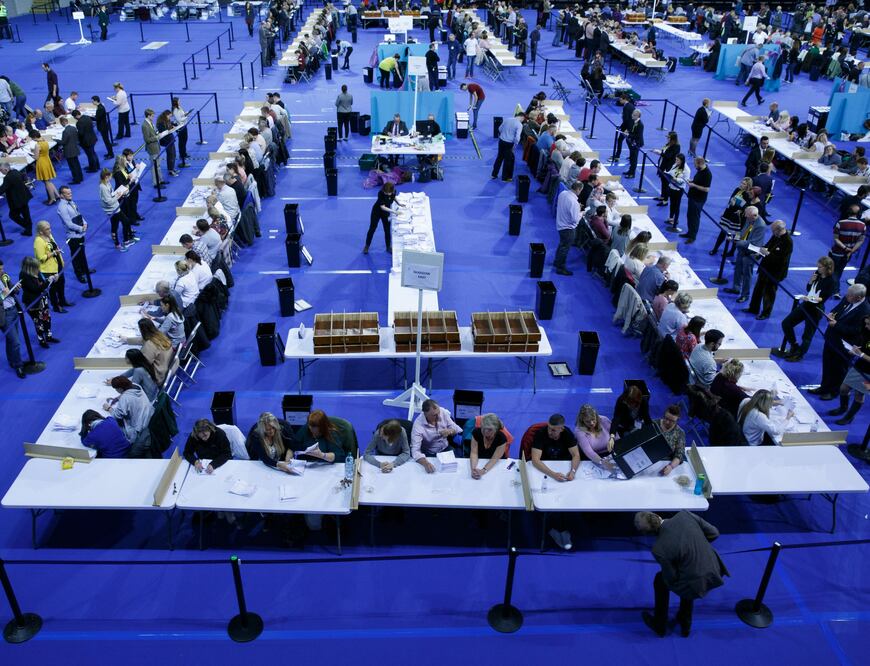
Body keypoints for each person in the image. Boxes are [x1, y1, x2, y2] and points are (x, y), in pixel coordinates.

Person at [635, 510, 728, 637]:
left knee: (660, 580)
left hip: (695, 583)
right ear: (656, 515)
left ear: (648, 534)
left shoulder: (659, 549)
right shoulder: (685, 515)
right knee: (687, 569)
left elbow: (671, 578)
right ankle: (685, 623)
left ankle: (659, 625)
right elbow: (714, 533)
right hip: (715, 570)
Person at [809, 284, 870, 400]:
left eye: (850, 296)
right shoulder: (847, 298)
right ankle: (824, 387)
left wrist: (837, 325)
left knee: (838, 369)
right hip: (831, 338)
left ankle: (833, 391)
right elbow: (837, 309)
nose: (846, 296)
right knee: (827, 364)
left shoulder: (865, 310)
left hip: (845, 345)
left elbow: (857, 331)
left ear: (858, 297)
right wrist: (831, 314)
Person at [530, 413, 580, 551]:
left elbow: (576, 455)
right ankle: (551, 529)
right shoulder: (541, 434)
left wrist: (573, 471)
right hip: (545, 470)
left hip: (563, 469)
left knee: (566, 497)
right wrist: (553, 474)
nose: (550, 431)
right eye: (549, 428)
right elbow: (535, 460)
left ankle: (563, 529)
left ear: (561, 429)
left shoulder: (567, 433)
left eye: (553, 429)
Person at [775, 256, 837, 361]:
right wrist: (810, 281)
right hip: (806, 304)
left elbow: (824, 297)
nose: (818, 269)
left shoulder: (831, 281)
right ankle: (794, 346)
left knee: (807, 335)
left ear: (828, 268)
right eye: (818, 266)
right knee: (786, 323)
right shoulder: (817, 275)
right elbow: (809, 289)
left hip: (816, 309)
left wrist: (814, 298)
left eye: (820, 267)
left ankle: (799, 355)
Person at [744, 220, 792, 319]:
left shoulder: (788, 242)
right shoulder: (776, 235)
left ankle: (766, 313)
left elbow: (781, 260)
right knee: (758, 288)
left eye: (773, 230)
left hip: (775, 272)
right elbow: (767, 246)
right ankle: (753, 308)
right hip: (765, 267)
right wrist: (760, 253)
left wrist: (768, 254)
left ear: (779, 230)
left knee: (769, 293)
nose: (772, 232)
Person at [829, 315, 870, 425]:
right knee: (843, 388)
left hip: (868, 373)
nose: (866, 326)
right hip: (859, 366)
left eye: (869, 324)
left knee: (859, 395)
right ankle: (843, 408)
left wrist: (860, 354)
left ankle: (849, 417)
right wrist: (858, 350)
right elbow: (866, 347)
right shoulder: (867, 332)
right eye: (866, 323)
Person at [724, 205, 767, 303]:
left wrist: (736, 242)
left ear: (754, 216)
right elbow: (742, 232)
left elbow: (754, 243)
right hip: (742, 249)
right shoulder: (749, 219)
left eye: (747, 216)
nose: (745, 217)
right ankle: (736, 288)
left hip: (751, 253)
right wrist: (735, 237)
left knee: (747, 274)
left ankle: (745, 295)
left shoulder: (761, 225)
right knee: (738, 269)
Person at [103, 376, 154, 458]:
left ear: (120, 388)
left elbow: (117, 415)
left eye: (116, 389)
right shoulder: (136, 386)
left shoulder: (125, 398)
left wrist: (108, 408)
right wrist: (118, 398)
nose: (116, 391)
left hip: (138, 428)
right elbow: (128, 395)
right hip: (148, 417)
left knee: (110, 426)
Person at [410, 399, 462, 473]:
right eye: (434, 415)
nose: (439, 417)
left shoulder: (442, 412)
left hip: (446, 448)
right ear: (425, 414)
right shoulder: (418, 426)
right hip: (429, 453)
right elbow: (415, 451)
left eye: (438, 413)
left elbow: (457, 429)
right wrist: (426, 463)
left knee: (454, 471)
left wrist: (450, 431)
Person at [18, 256, 57, 348]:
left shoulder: (36, 271)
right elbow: (36, 289)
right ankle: (42, 340)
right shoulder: (24, 275)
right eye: (35, 267)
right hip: (33, 303)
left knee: (47, 318)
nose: (38, 269)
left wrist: (51, 279)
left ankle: (49, 336)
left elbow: (43, 282)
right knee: (38, 322)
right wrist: (48, 281)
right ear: (29, 267)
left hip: (43, 299)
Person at [33, 220, 70, 313]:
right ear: (41, 231)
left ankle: (63, 301)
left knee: (61, 284)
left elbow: (55, 247)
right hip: (48, 270)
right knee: (53, 289)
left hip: (57, 265)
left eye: (49, 228)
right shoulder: (38, 242)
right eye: (47, 229)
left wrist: (60, 258)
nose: (50, 230)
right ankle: (56, 306)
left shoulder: (49, 235)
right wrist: (53, 253)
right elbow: (41, 258)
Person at [829, 206, 866, 297]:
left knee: (833, 271)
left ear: (848, 212)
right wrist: (851, 251)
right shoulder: (863, 226)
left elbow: (836, 239)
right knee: (839, 270)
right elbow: (861, 240)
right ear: (858, 214)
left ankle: (835, 290)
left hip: (837, 252)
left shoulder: (840, 223)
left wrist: (845, 248)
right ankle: (833, 289)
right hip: (848, 254)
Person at [56, 185, 90, 283]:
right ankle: (79, 274)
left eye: (70, 193)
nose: (70, 195)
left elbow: (78, 214)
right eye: (68, 193)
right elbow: (68, 224)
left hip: (80, 233)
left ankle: (85, 269)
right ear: (62, 195)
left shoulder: (71, 201)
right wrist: (81, 228)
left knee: (82, 253)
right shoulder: (62, 207)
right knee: (76, 256)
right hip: (73, 236)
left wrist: (85, 223)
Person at [125, 318, 172, 384]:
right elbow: (141, 340)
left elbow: (142, 365)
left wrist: (121, 377)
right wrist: (126, 340)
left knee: (138, 371)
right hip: (168, 367)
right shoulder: (160, 336)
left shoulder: (150, 345)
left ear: (142, 330)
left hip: (159, 375)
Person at [99, 168, 135, 251]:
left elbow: (111, 195)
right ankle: (125, 241)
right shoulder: (103, 187)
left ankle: (118, 244)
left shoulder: (107, 183)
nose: (110, 178)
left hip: (115, 207)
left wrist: (117, 194)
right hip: (112, 210)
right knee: (125, 222)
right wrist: (118, 196)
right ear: (106, 177)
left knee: (114, 226)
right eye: (109, 177)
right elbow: (108, 201)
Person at [0, 258, 25, 378]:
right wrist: (2, 296)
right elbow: (3, 295)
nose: (2, 271)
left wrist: (15, 289)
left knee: (11, 339)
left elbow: (11, 290)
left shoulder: (4, 276)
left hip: (14, 310)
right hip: (4, 315)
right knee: (16, 342)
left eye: (2, 268)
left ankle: (12, 361)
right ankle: (19, 366)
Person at [364, 181, 400, 254]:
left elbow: (394, 197)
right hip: (377, 212)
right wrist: (395, 212)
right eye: (385, 192)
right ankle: (367, 246)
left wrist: (399, 203)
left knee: (387, 230)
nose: (386, 194)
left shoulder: (393, 191)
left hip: (386, 213)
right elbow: (382, 207)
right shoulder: (380, 193)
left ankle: (388, 247)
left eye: (388, 193)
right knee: (372, 228)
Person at [554, 181, 582, 276]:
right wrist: (581, 214)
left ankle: (557, 262)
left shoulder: (563, 193)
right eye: (580, 190)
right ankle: (560, 268)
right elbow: (575, 220)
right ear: (578, 189)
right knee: (565, 248)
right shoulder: (574, 202)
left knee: (562, 245)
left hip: (560, 224)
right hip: (568, 228)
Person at [469, 413, 508, 478]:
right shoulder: (476, 433)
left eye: (490, 429)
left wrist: (483, 470)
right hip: (480, 460)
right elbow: (474, 453)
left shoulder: (501, 438)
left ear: (495, 429)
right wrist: (473, 469)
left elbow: (494, 459)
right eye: (483, 428)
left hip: (496, 464)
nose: (485, 431)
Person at [683, 156, 711, 244]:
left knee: (694, 218)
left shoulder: (707, 174)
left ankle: (692, 236)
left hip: (698, 199)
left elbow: (706, 189)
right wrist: (692, 181)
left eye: (695, 164)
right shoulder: (700, 170)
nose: (694, 166)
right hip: (692, 196)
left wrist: (694, 185)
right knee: (689, 215)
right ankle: (689, 232)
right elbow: (698, 181)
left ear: (700, 164)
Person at [0, 162, 33, 235]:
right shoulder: (16, 172)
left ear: (5, 169)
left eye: (1, 170)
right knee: (26, 213)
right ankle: (29, 228)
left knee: (13, 215)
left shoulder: (8, 178)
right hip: (24, 196)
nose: (1, 172)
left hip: (17, 200)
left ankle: (27, 226)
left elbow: (2, 189)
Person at [492, 112, 524, 182]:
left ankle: (494, 174)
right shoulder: (519, 125)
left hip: (501, 141)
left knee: (499, 157)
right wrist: (515, 146)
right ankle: (505, 177)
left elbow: (500, 128)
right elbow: (517, 138)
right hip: (509, 143)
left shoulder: (507, 119)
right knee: (507, 160)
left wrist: (503, 135)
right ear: (522, 117)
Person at [663, 154, 690, 233]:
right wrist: (666, 173)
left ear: (682, 160)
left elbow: (685, 180)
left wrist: (676, 179)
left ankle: (676, 220)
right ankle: (671, 218)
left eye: (677, 160)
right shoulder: (675, 165)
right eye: (676, 159)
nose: (676, 161)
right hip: (672, 187)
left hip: (679, 189)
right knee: (672, 203)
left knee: (677, 205)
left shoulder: (686, 169)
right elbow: (671, 172)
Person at [657, 404, 686, 475]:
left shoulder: (679, 432)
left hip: (665, 463)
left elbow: (679, 455)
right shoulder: (654, 424)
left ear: (677, 420)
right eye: (666, 418)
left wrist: (671, 466)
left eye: (671, 421)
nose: (667, 422)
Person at [31, 130, 59, 205]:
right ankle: (57, 195)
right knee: (48, 181)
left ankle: (52, 199)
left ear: (34, 137)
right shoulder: (45, 141)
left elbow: (36, 157)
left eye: (32, 138)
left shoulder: (37, 145)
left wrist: (32, 156)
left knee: (46, 182)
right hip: (47, 160)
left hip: (41, 162)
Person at [141, 108, 163, 188]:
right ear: (148, 116)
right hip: (152, 148)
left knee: (158, 165)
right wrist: (156, 137)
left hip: (156, 146)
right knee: (154, 167)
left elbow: (154, 132)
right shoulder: (145, 125)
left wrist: (158, 134)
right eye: (152, 116)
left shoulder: (150, 122)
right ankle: (156, 183)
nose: (153, 118)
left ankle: (160, 180)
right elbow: (147, 139)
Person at [156, 110, 179, 178]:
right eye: (169, 116)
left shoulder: (167, 120)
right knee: (170, 155)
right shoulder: (160, 123)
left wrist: (173, 126)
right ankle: (170, 170)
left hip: (170, 139)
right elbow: (163, 132)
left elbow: (170, 124)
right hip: (167, 140)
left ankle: (172, 168)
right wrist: (170, 129)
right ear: (166, 115)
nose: (170, 118)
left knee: (173, 154)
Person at [623, 109, 644, 179]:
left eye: (634, 115)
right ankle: (630, 170)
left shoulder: (640, 125)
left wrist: (628, 134)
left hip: (636, 143)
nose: (632, 115)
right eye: (632, 114)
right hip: (631, 142)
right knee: (631, 157)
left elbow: (638, 135)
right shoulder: (633, 121)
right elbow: (631, 129)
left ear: (638, 116)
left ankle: (632, 173)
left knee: (634, 158)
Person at [171, 97, 189, 168]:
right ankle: (182, 155)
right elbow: (179, 119)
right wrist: (186, 117)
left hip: (184, 125)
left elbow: (182, 115)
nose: (180, 102)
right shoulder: (175, 110)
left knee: (185, 140)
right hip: (180, 127)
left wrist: (185, 114)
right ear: (176, 102)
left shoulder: (179, 107)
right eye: (179, 101)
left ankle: (184, 153)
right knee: (182, 142)